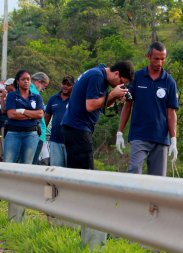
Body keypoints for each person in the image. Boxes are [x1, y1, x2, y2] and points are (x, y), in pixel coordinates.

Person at [61, 61, 134, 248]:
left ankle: (78, 223)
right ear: (116, 74)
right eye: (121, 83)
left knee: (79, 177)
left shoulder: (99, 76)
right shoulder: (97, 76)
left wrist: (113, 98)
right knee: (87, 179)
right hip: (77, 129)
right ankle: (86, 226)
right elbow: (91, 105)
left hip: (76, 128)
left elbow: (100, 105)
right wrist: (111, 94)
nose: (120, 86)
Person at [115, 41, 179, 176]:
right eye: (156, 58)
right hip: (139, 135)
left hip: (160, 137)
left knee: (158, 182)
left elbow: (171, 113)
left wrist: (173, 139)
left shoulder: (169, 82)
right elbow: (127, 105)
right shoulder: (137, 78)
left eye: (163, 59)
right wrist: (120, 132)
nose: (160, 62)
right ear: (148, 56)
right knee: (133, 172)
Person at [4, 70, 44, 222]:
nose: (27, 81)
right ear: (18, 82)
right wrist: (29, 113)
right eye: (23, 79)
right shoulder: (12, 96)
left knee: (26, 167)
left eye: (28, 79)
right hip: (13, 134)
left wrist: (22, 111)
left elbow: (40, 114)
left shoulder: (36, 96)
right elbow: (11, 115)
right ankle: (8, 196)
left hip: (31, 134)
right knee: (9, 165)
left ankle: (21, 201)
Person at [44, 75, 75, 167]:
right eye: (64, 83)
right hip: (55, 140)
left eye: (68, 84)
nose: (65, 86)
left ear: (73, 86)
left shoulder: (75, 99)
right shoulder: (53, 99)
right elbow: (46, 116)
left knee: (70, 170)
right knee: (55, 169)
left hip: (71, 141)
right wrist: (42, 133)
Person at [30, 72, 50, 165]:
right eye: (44, 87)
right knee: (32, 163)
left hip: (38, 132)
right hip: (35, 133)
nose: (43, 90)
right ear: (38, 82)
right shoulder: (32, 92)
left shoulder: (34, 92)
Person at [0, 78, 15, 161]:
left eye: (7, 85)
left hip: (9, 123)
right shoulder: (10, 94)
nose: (5, 87)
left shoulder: (11, 95)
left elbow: (3, 110)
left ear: (11, 85)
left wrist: (3, 97)